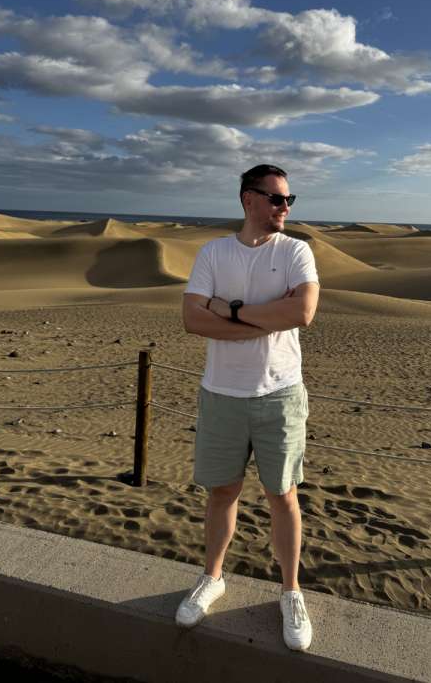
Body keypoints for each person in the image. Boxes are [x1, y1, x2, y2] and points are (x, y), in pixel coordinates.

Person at [174, 164, 320, 652]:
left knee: (283, 495)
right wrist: (262, 318)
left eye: (289, 199)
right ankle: (212, 577)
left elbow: (301, 313)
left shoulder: (297, 251)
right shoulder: (214, 252)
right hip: (222, 393)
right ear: (247, 200)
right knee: (222, 492)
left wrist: (229, 310)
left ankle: (291, 591)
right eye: (276, 198)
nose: (285, 207)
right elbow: (193, 320)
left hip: (280, 394)